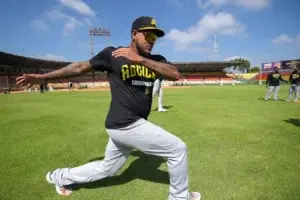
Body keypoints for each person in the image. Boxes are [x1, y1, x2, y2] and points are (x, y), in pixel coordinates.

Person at [16, 16, 201, 200]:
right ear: (134, 34)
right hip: (125, 123)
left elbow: (175, 74)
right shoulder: (113, 54)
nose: (152, 42)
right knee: (178, 149)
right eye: (148, 36)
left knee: (107, 168)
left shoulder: (156, 60)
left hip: (125, 126)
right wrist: (44, 77)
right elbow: (80, 67)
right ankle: (180, 197)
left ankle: (59, 176)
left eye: (155, 38)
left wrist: (140, 60)